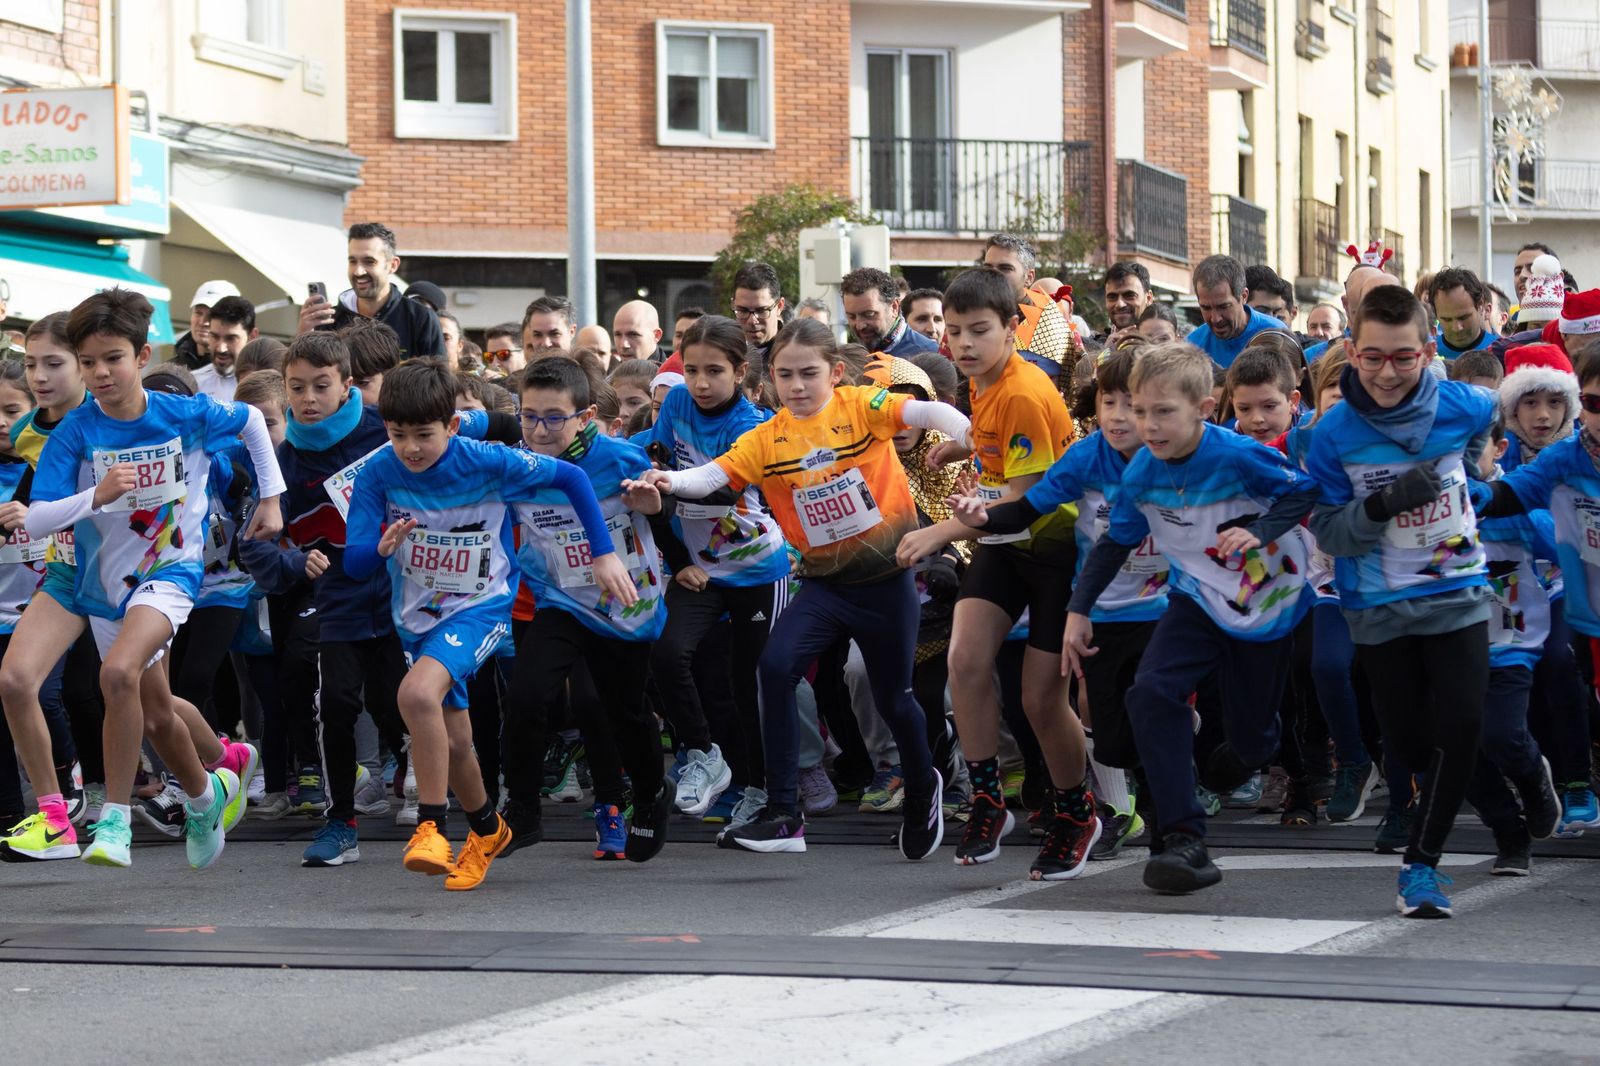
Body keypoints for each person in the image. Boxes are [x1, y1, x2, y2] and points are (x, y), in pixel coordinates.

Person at [625, 316, 971, 858]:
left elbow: (927, 412)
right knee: (773, 669)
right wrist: (664, 481)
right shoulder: (768, 436)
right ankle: (784, 813)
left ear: (835, 372)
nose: (798, 386)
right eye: (786, 375)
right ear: (771, 380)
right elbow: (713, 476)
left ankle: (923, 785)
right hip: (826, 588)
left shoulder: (860, 405)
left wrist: (970, 434)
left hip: (886, 583)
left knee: (893, 698)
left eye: (809, 373)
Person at [343, 360, 636, 890]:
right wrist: (379, 547)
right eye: (397, 434)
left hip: (481, 608)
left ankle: (432, 826)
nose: (409, 448)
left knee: (415, 696)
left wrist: (603, 553)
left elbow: (570, 476)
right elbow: (355, 561)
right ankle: (487, 828)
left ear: (452, 426)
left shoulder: (488, 461)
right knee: (454, 742)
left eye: (423, 435)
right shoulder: (377, 472)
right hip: (416, 618)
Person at [25, 288, 285, 869]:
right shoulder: (75, 432)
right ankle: (207, 792)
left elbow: (249, 421)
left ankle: (112, 821)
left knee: (117, 676)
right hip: (103, 583)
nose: (99, 373)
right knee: (157, 708)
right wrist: (97, 495)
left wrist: (272, 500)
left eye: (111, 358)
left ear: (141, 356)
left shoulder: (184, 413)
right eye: (87, 362)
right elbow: (40, 516)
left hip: (170, 572)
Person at [1065, 341, 1318, 894]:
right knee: (1151, 694)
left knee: (1251, 743)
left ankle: (1248, 755)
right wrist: (1077, 611)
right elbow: (1114, 544)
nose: (1147, 426)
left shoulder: (1237, 455)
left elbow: (1303, 492)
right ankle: (1183, 838)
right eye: (1138, 410)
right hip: (1196, 599)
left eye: (1163, 412)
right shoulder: (1140, 476)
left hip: (1264, 605)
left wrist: (1259, 529)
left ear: (1204, 409)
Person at [897, 268, 1098, 879]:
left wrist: (939, 531)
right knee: (964, 662)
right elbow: (999, 457)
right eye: (953, 332)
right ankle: (988, 798)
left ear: (1013, 329)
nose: (962, 343)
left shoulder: (1020, 391)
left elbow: (1025, 502)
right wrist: (965, 450)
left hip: (1052, 548)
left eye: (979, 331)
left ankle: (1075, 810)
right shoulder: (984, 383)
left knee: (1040, 699)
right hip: (1004, 542)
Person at [1307, 284, 1498, 918]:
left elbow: (1483, 434)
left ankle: (1422, 867)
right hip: (1378, 606)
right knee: (1413, 747)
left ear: (1428, 351)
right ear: (1352, 353)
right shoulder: (1331, 435)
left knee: (1464, 722)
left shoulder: (1466, 406)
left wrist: (1467, 478)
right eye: (1373, 357)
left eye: (1404, 357)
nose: (1388, 372)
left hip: (1457, 590)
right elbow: (1329, 532)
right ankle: (1509, 804)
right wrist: (1388, 503)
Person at [951, 348, 1164, 860]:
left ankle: (1170, 825)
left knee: (1153, 711)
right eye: (1108, 402)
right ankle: (1000, 800)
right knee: (1110, 734)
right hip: (1099, 601)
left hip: (1158, 604)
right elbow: (1025, 505)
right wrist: (979, 518)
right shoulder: (1084, 454)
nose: (1116, 416)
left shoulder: (1189, 455)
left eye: (1130, 405)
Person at [502, 358, 674, 862]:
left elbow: (675, 516)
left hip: (626, 607)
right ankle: (524, 812)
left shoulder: (623, 459)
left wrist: (654, 508)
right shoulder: (516, 464)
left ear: (586, 415)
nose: (539, 429)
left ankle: (649, 794)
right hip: (562, 602)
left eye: (554, 417)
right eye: (529, 415)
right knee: (527, 695)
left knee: (620, 712)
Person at [644, 316, 790, 826]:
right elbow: (656, 454)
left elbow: (722, 488)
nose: (700, 384)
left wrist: (664, 481)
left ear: (741, 371)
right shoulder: (680, 402)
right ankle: (704, 756)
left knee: (749, 684)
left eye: (714, 372)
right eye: (691, 371)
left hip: (757, 570)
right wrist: (680, 560)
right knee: (666, 655)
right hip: (700, 569)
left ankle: (762, 789)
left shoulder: (752, 424)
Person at [1468, 414, 1565, 876]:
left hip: (1510, 640)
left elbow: (1560, 542)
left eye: (1474, 448)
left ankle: (1534, 781)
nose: (1463, 461)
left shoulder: (1519, 499)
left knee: (1502, 735)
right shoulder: (1430, 501)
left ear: (1499, 448)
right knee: (1449, 750)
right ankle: (1510, 834)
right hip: (1445, 645)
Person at [298, 223, 445, 362]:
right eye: (353, 261)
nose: (358, 271)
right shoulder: (329, 322)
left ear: (392, 265)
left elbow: (438, 383)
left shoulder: (421, 319)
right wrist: (303, 336)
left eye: (369, 262)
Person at [981, 234, 1073, 368]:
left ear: (1029, 277)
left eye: (1005, 268)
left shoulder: (1047, 324)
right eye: (988, 268)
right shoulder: (975, 315)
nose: (994, 275)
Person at [1185, 255, 1281, 368]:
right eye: (1206, 308)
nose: (1215, 318)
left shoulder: (1276, 334)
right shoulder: (1192, 346)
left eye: (1223, 306)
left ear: (1244, 296)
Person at [840, 268, 938, 359]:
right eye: (851, 316)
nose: (860, 325)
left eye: (869, 314)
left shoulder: (929, 354)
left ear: (894, 307)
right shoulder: (849, 359)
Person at [196, 296, 258, 403]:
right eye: (214, 337)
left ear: (252, 336)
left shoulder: (268, 387)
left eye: (231, 339)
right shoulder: (193, 383)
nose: (221, 348)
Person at [1428, 268, 1499, 362]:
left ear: (1480, 306)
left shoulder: (1502, 352)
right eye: (1447, 319)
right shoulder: (1427, 356)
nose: (1457, 328)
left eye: (1464, 317)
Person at [731, 262, 786, 376]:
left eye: (761, 311)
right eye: (743, 311)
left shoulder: (796, 355)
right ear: (733, 305)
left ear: (779, 306)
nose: (752, 320)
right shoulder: (723, 352)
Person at [173, 280, 239, 370]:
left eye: (212, 315)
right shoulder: (172, 369)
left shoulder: (244, 373)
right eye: (198, 313)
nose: (203, 322)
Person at [1104, 262, 1155, 333]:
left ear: (1149, 298)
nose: (1120, 304)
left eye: (1129, 295)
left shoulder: (1167, 343)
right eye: (1112, 297)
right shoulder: (1088, 343)